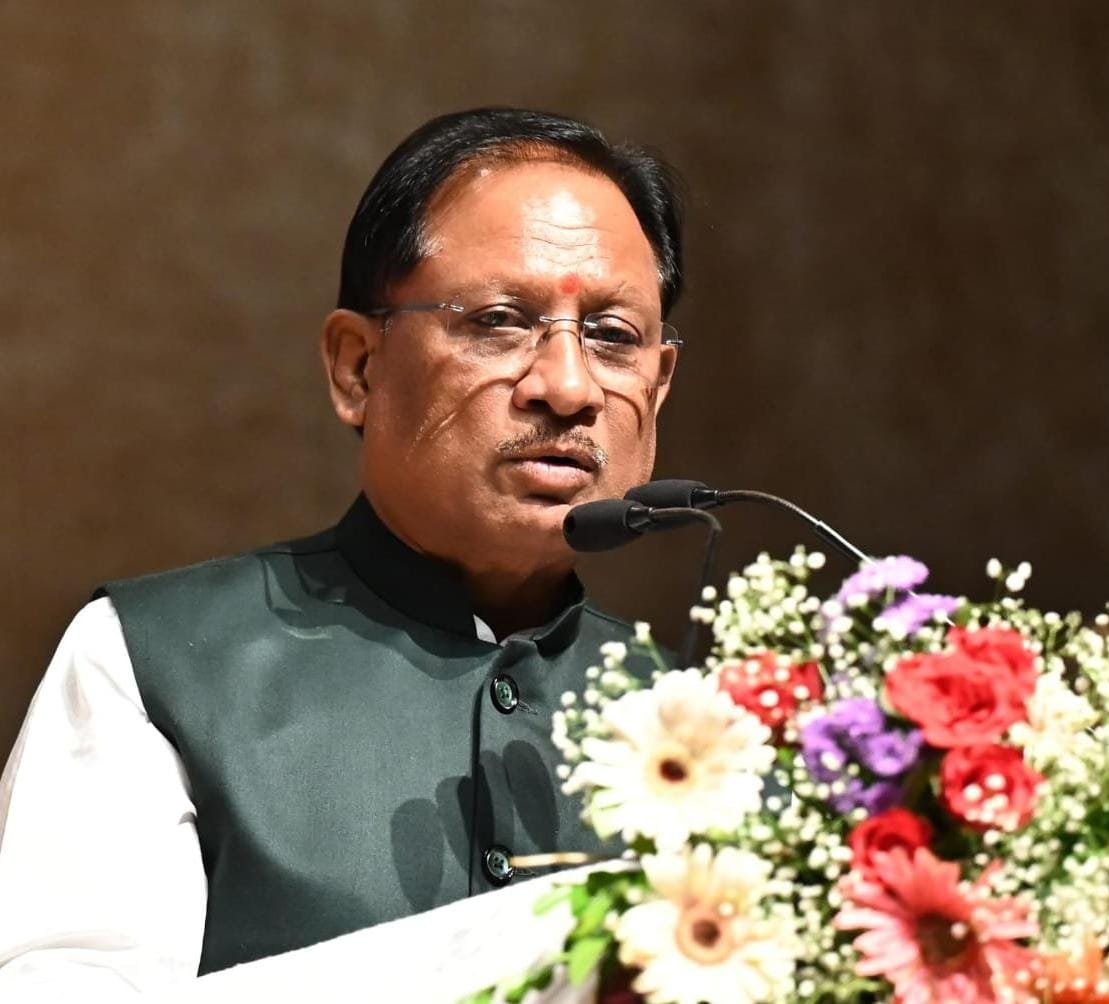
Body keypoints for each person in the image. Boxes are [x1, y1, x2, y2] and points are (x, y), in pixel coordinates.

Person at [0, 107, 684, 994]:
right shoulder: (153, 662)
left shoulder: (710, 724)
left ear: (657, 386)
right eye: (500, 321)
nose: (566, 386)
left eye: (612, 337)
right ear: (357, 367)